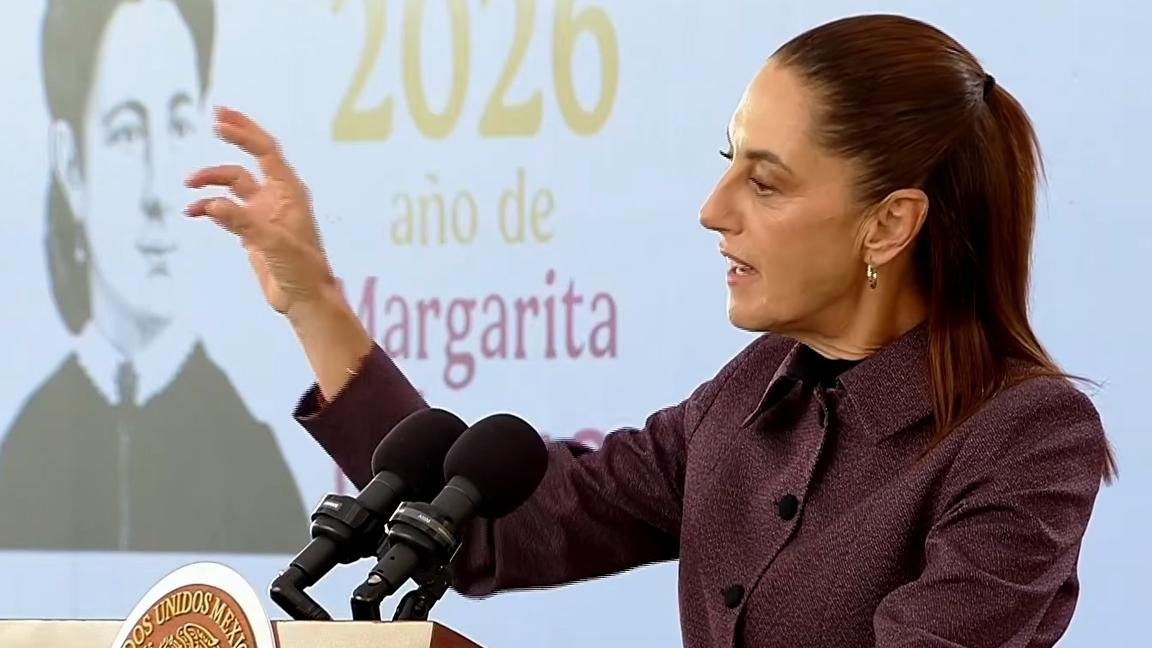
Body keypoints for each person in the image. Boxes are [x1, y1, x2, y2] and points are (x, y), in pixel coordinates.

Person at [186, 13, 1114, 647]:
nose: (713, 208)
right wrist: (313, 300)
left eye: (765, 181)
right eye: (727, 161)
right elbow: (499, 528)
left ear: (889, 224)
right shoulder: (750, 395)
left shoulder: (1026, 435)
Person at [0, 0, 308, 554]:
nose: (158, 190)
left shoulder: (254, 468)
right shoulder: (20, 455)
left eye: (179, 125)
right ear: (71, 164)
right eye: (126, 134)